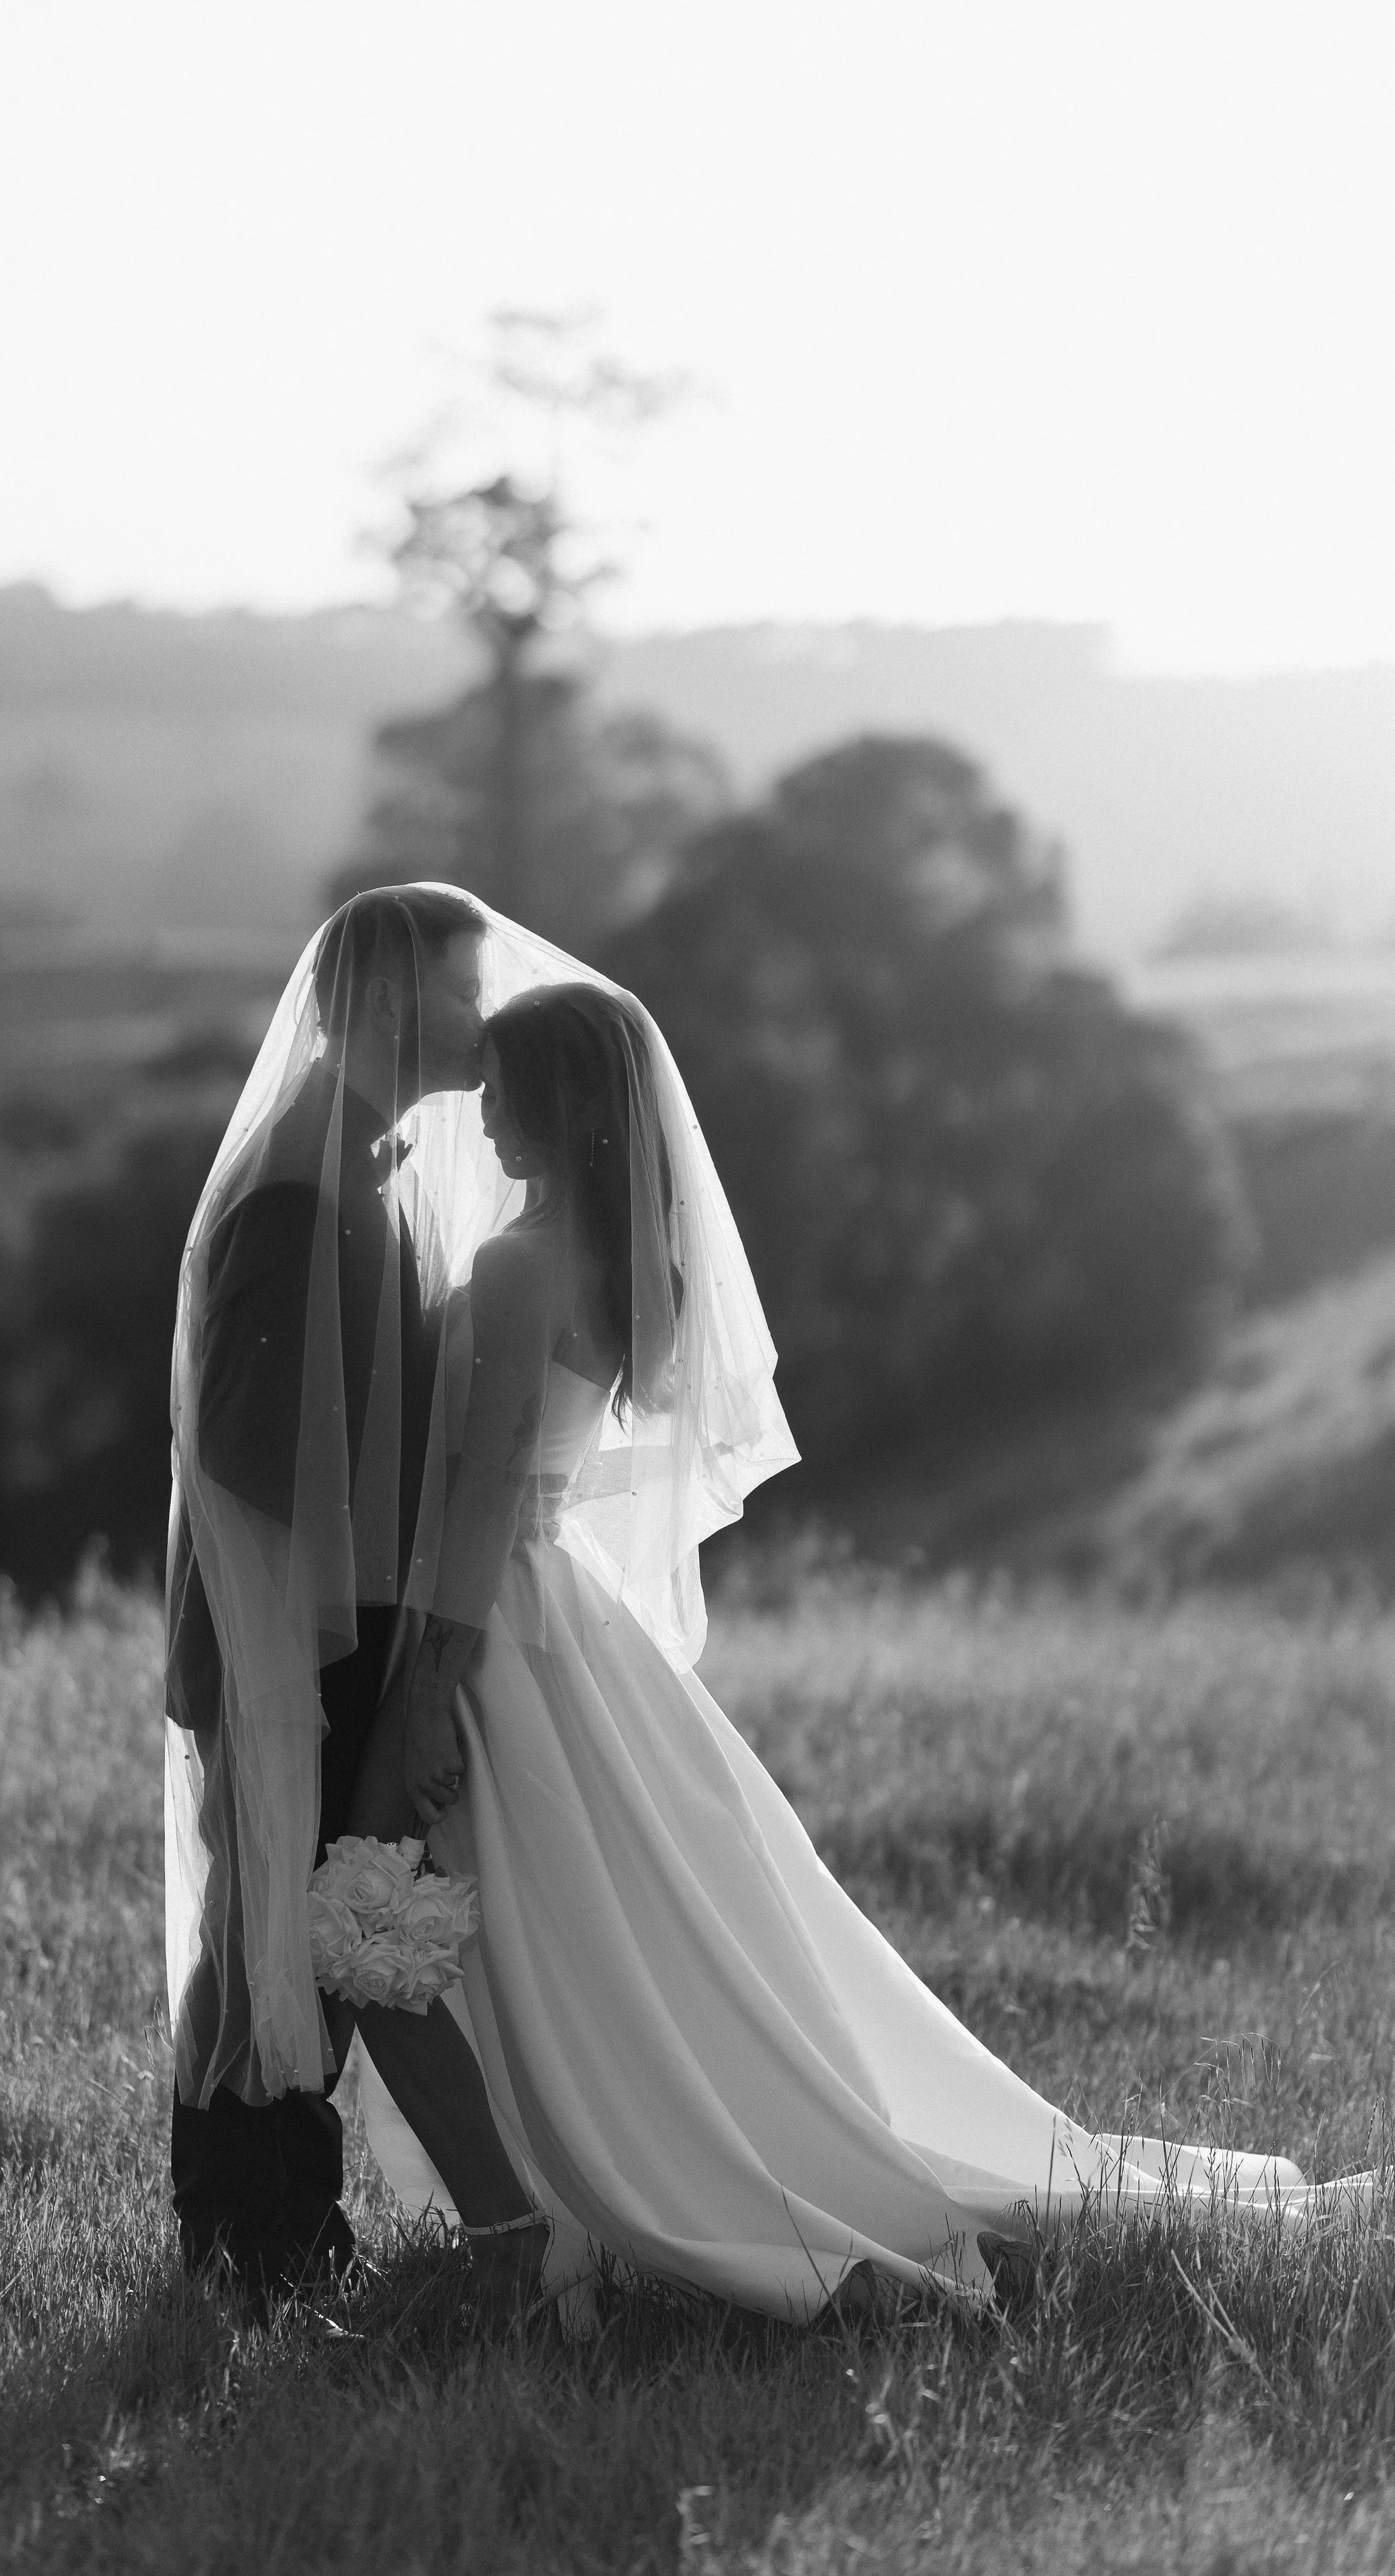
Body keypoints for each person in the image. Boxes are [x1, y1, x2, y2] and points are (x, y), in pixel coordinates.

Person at [339, 924, 1372, 2324]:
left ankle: (547, 2214)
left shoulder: (525, 1267)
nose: (485, 1103)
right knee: (562, 1923)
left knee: (449, 1915)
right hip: (556, 1613)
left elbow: (476, 1494)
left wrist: (423, 1686)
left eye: (508, 1084)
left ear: (569, 1106)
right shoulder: (612, 1259)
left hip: (500, 1622)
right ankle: (557, 2197)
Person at [163, 885, 541, 2312]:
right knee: (270, 1933)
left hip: (345, 1623)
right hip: (289, 1631)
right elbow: (253, 1448)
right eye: (462, 990)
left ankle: (276, 2239)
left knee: (310, 1934)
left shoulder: (363, 1170)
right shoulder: (294, 1187)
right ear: (386, 1004)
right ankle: (250, 2250)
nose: (482, 1019)